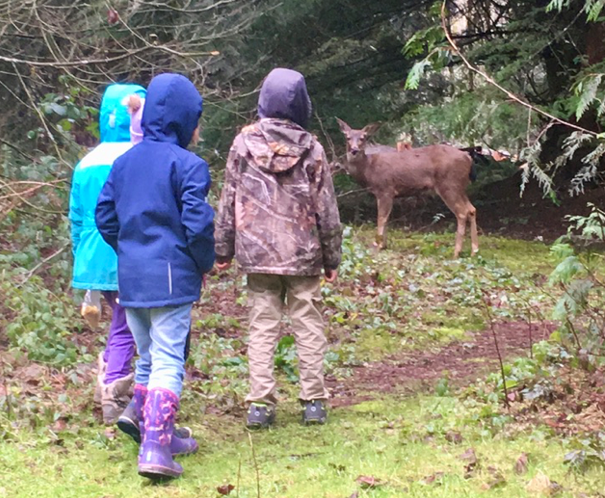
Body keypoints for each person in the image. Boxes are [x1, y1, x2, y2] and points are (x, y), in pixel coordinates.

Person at [96, 73, 215, 479]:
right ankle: (156, 449)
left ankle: (154, 430)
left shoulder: (124, 162)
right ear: (185, 119)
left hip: (131, 278)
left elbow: (104, 217)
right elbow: (198, 224)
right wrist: (202, 262)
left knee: (147, 358)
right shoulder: (190, 165)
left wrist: (129, 251)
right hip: (171, 276)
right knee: (168, 360)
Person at [214, 67, 342, 429]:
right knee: (308, 325)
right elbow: (326, 208)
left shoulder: (243, 144)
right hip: (303, 255)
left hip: (258, 253)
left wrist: (222, 249)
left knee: (262, 327)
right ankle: (313, 401)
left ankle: (260, 404)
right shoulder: (312, 148)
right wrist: (332, 257)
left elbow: (229, 198)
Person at [69, 83, 146, 425]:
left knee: (122, 318)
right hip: (124, 252)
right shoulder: (136, 159)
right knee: (128, 323)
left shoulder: (85, 163)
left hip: (93, 255)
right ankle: (114, 386)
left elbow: (76, 216)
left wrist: (79, 255)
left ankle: (114, 375)